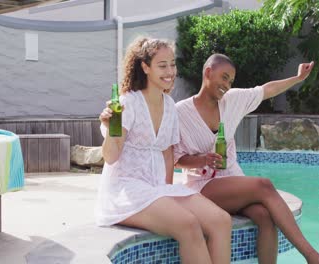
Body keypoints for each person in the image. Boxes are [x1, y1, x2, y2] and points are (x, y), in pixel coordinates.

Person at [174, 53, 319, 264]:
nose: (227, 85)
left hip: (232, 179)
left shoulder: (232, 100)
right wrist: (202, 159)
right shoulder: (180, 113)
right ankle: (312, 257)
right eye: (224, 77)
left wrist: (297, 79)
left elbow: (267, 90)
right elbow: (175, 160)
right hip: (202, 186)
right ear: (208, 72)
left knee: (265, 217)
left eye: (230, 81)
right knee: (263, 185)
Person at [97, 39, 232, 264]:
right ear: (145, 67)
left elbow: (168, 154)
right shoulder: (127, 103)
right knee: (188, 225)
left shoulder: (169, 105)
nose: (170, 72)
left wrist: (167, 191)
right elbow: (111, 157)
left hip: (157, 189)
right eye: (162, 66)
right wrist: (112, 128)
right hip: (126, 191)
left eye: (172, 64)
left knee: (221, 220)